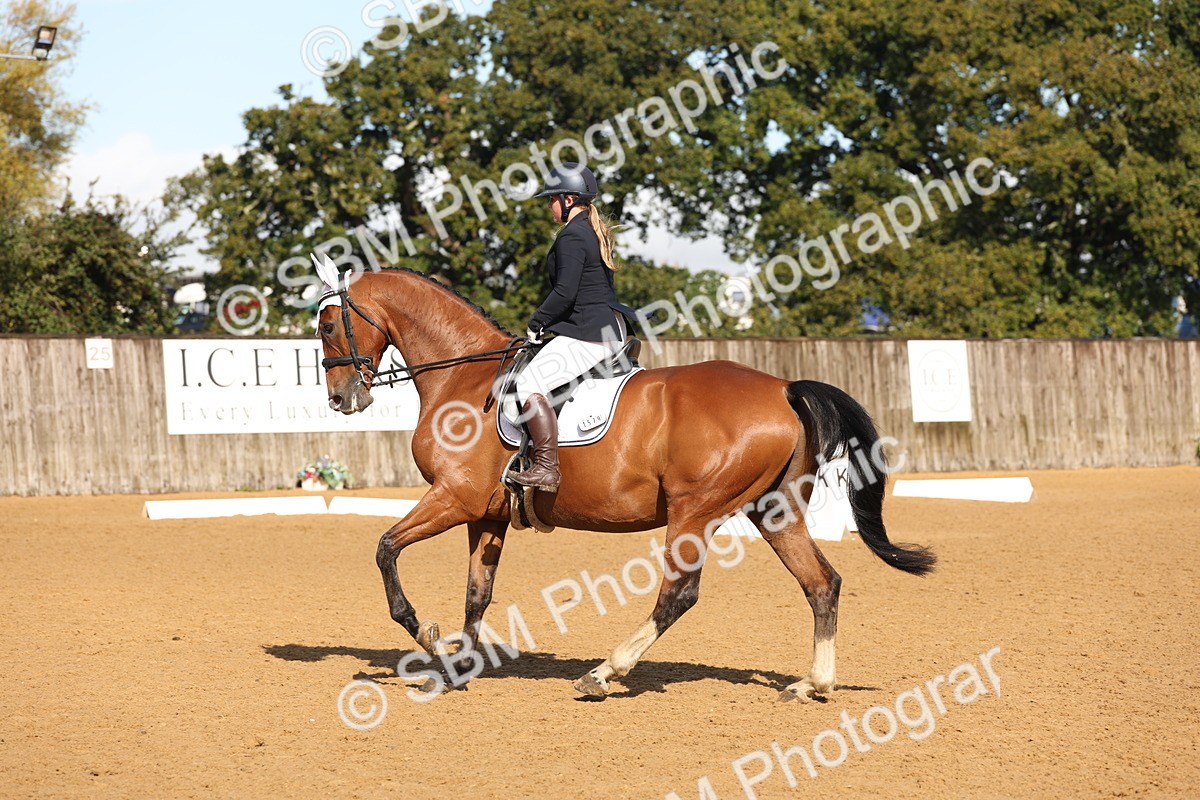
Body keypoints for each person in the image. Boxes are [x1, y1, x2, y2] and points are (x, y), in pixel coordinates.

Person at [509, 163, 635, 491]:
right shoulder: (589, 231)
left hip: (590, 332)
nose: (548, 206)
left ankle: (546, 468)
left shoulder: (571, 236)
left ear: (568, 199)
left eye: (551, 199)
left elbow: (564, 293)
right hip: (608, 327)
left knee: (528, 383)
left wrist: (537, 322)